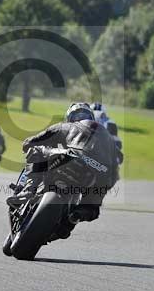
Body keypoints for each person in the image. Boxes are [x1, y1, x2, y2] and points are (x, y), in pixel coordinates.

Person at [7, 102, 121, 238]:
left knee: (36, 150)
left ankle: (28, 191)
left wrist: (28, 144)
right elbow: (116, 167)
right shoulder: (108, 137)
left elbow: (31, 142)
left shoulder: (67, 126)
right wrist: (105, 185)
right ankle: (72, 219)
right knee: (91, 207)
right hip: (99, 171)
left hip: (71, 156)